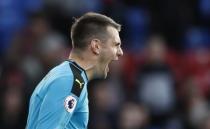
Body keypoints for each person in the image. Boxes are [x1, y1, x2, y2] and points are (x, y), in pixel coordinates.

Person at [26, 12, 123, 129]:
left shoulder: (69, 76)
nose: (120, 52)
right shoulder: (69, 80)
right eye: (116, 45)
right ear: (96, 46)